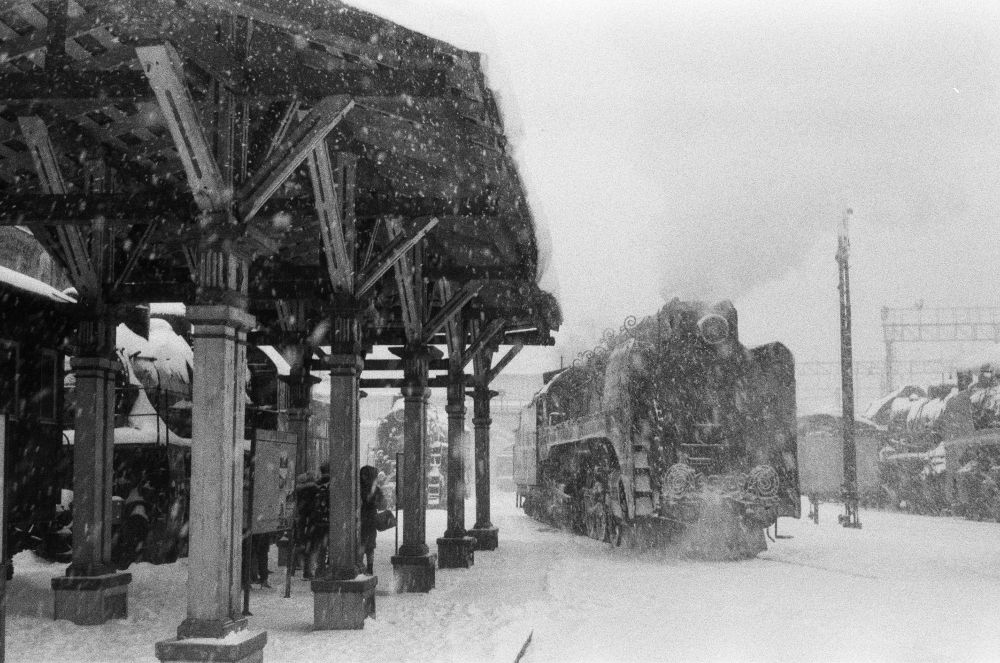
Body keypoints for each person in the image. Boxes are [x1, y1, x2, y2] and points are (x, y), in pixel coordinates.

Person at [359, 465, 386, 575]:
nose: (363, 477)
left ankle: (363, 566)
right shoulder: (375, 489)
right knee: (368, 546)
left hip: (364, 520)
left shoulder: (358, 488)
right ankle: (368, 567)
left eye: (365, 474)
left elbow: (381, 504)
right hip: (369, 520)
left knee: (364, 544)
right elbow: (382, 505)